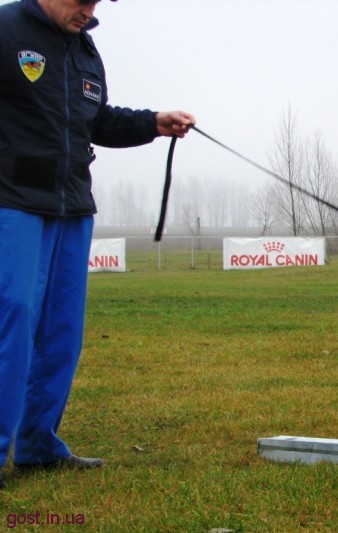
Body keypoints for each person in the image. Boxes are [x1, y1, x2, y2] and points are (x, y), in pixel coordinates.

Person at [0, 0, 196, 489]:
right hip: (12, 202)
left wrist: (153, 122)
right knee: (13, 318)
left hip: (72, 206)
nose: (88, 10)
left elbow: (97, 121)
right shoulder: (5, 28)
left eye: (96, 2)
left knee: (62, 332)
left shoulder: (86, 50)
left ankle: (38, 446)